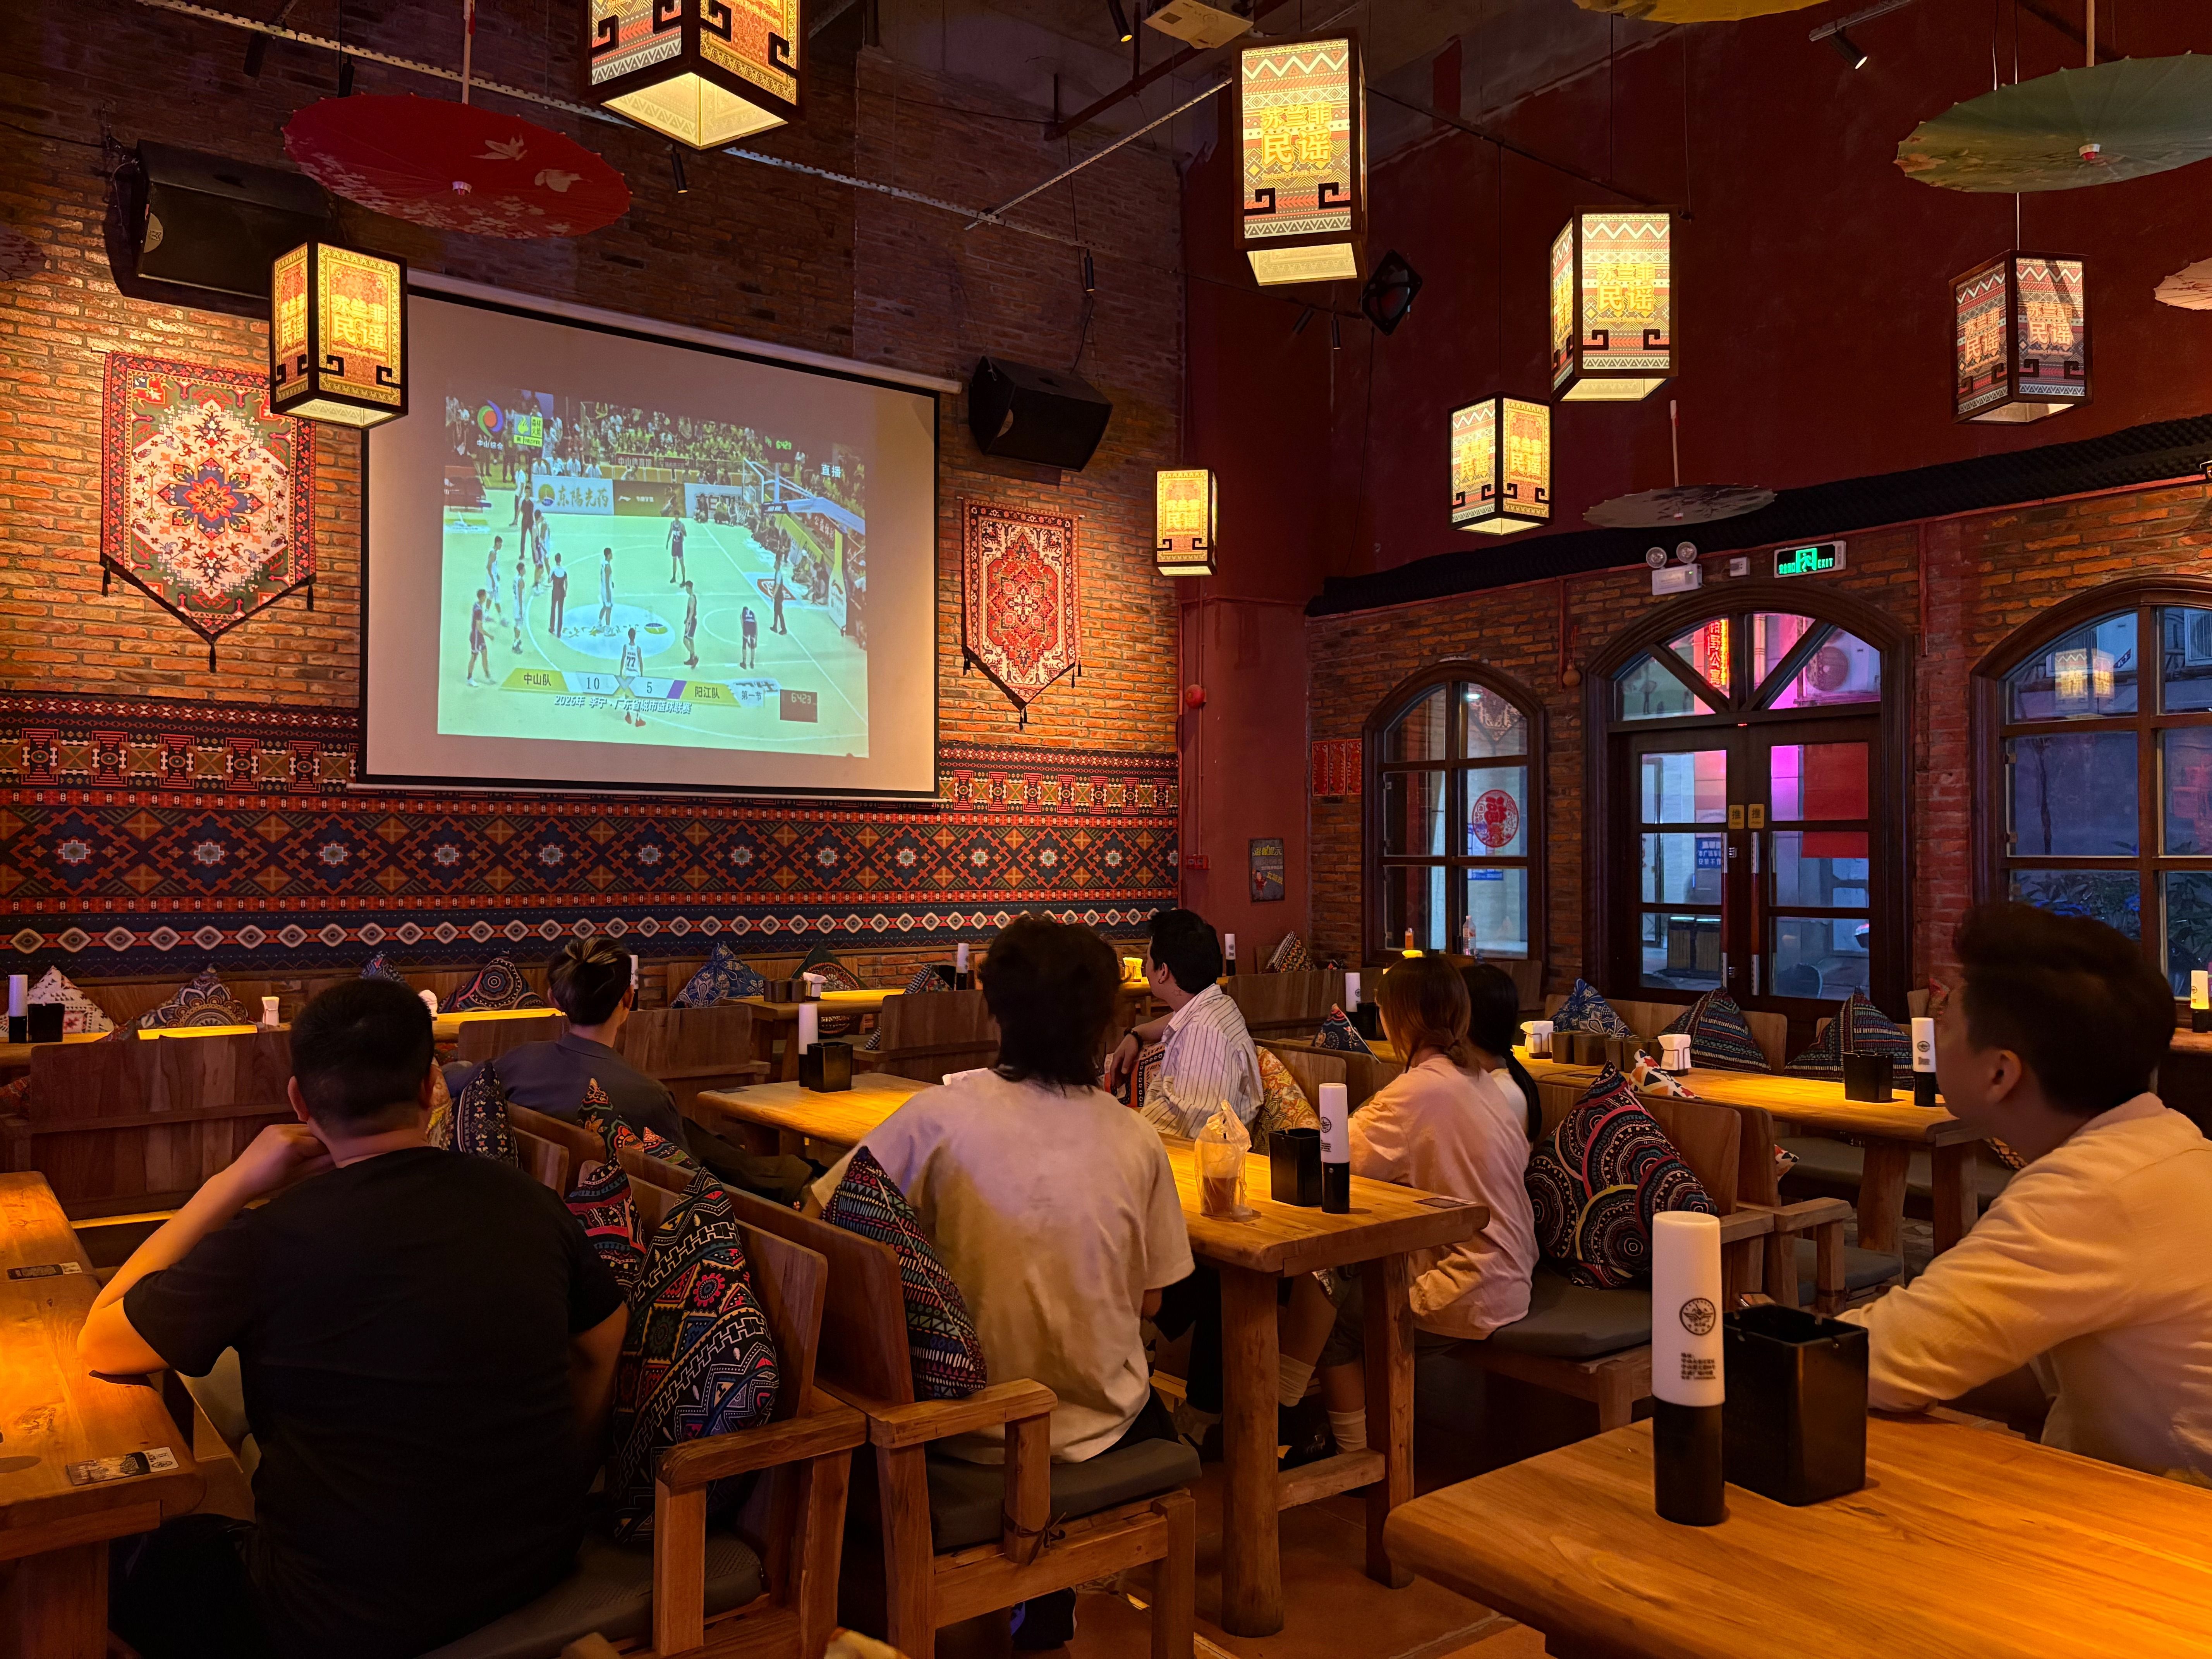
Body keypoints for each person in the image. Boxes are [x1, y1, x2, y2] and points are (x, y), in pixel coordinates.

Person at [85, 979, 626, 1659]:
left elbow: (101, 1340)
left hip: (334, 1616)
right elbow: (605, 1336)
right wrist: (562, 1471)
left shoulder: (268, 1239)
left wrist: (235, 1180)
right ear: (431, 1086)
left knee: (107, 1556)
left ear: (299, 1101)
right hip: (533, 1560)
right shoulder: (529, 1202)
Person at [803, 916, 1192, 1650]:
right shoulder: (1137, 1137)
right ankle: (1046, 1601)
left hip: (959, 1430)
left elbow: (820, 1221)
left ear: (995, 1010)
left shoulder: (937, 1117)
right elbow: (1152, 1301)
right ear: (1105, 1022)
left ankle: (1012, 1606)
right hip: (1100, 1425)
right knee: (1148, 1396)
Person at [1836, 902, 2212, 1482]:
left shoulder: (2091, 1192)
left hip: (2174, 1520)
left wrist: (1753, 1345)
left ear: (1999, 1073)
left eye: (1947, 1018)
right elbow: (2025, 1365)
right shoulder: (2169, 1145)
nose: (1935, 1029)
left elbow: (1878, 1362)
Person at [446, 936, 687, 1147]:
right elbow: (684, 1176)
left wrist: (461, 1066)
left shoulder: (517, 1063)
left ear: (554, 999)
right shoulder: (652, 1099)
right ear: (628, 999)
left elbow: (449, 1080)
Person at [1104, 907, 1262, 1137]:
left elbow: (1192, 1129)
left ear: (1163, 972)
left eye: (1149, 959)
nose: (1146, 967)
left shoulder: (1204, 1034)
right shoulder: (1217, 1005)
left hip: (1195, 1153)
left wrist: (1116, 1126)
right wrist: (1136, 1034)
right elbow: (1180, 1019)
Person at [618, 625, 646, 728]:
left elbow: (623, 659)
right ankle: (638, 719)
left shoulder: (625, 647)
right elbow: (641, 662)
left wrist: (621, 672)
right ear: (635, 636)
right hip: (635, 674)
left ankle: (629, 715)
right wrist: (642, 674)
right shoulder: (638, 649)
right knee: (638, 697)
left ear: (628, 636)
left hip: (627, 674)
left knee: (627, 696)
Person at [466, 587, 490, 686]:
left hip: (479, 637)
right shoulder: (479, 610)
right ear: (482, 597)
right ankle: (470, 678)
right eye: (485, 596)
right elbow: (479, 628)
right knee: (474, 657)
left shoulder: (477, 605)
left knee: (485, 652)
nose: (486, 598)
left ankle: (487, 674)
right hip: (476, 637)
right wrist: (489, 635)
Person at [548, 551, 568, 639]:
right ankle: (559, 632)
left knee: (553, 608)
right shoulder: (564, 570)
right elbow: (566, 582)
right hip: (562, 591)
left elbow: (549, 581)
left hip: (555, 591)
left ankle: (552, 628)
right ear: (561, 560)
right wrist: (566, 591)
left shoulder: (553, 570)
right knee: (561, 611)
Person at [485, 538, 505, 623]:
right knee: (497, 598)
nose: (501, 546)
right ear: (497, 543)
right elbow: (489, 566)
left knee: (491, 596)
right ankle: (502, 618)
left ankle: (486, 615)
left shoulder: (493, 552)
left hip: (492, 577)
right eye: (500, 544)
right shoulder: (493, 554)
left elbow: (493, 566)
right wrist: (493, 580)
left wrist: (497, 575)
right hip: (492, 578)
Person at [682, 579, 699, 670]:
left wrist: (688, 622)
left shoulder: (691, 599)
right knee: (691, 640)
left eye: (687, 588)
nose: (686, 590)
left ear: (689, 588)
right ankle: (692, 659)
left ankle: (693, 657)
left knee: (685, 640)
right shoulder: (694, 597)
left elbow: (691, 611)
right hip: (694, 620)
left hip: (691, 621)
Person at [597, 546, 615, 632]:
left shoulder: (603, 563)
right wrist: (608, 594)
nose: (612, 555)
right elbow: (607, 581)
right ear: (608, 555)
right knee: (609, 609)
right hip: (607, 589)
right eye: (611, 554)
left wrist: (611, 582)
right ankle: (608, 629)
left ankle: (599, 623)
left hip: (603, 588)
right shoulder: (608, 567)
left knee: (605, 607)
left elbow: (604, 577)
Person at [666, 512, 687, 584]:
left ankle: (684, 580)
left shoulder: (682, 525)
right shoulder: (672, 524)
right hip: (674, 545)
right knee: (674, 562)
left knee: (682, 563)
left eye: (677, 517)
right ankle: (674, 577)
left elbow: (686, 535)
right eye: (675, 517)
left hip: (679, 546)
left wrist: (682, 531)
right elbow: (670, 533)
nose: (676, 518)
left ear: (679, 517)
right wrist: (667, 542)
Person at [740, 602, 759, 669]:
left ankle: (744, 663)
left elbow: (743, 626)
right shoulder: (753, 613)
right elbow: (756, 624)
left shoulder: (742, 614)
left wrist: (747, 640)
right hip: (753, 626)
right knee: (753, 646)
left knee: (744, 645)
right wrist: (756, 640)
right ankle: (752, 663)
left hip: (747, 626)